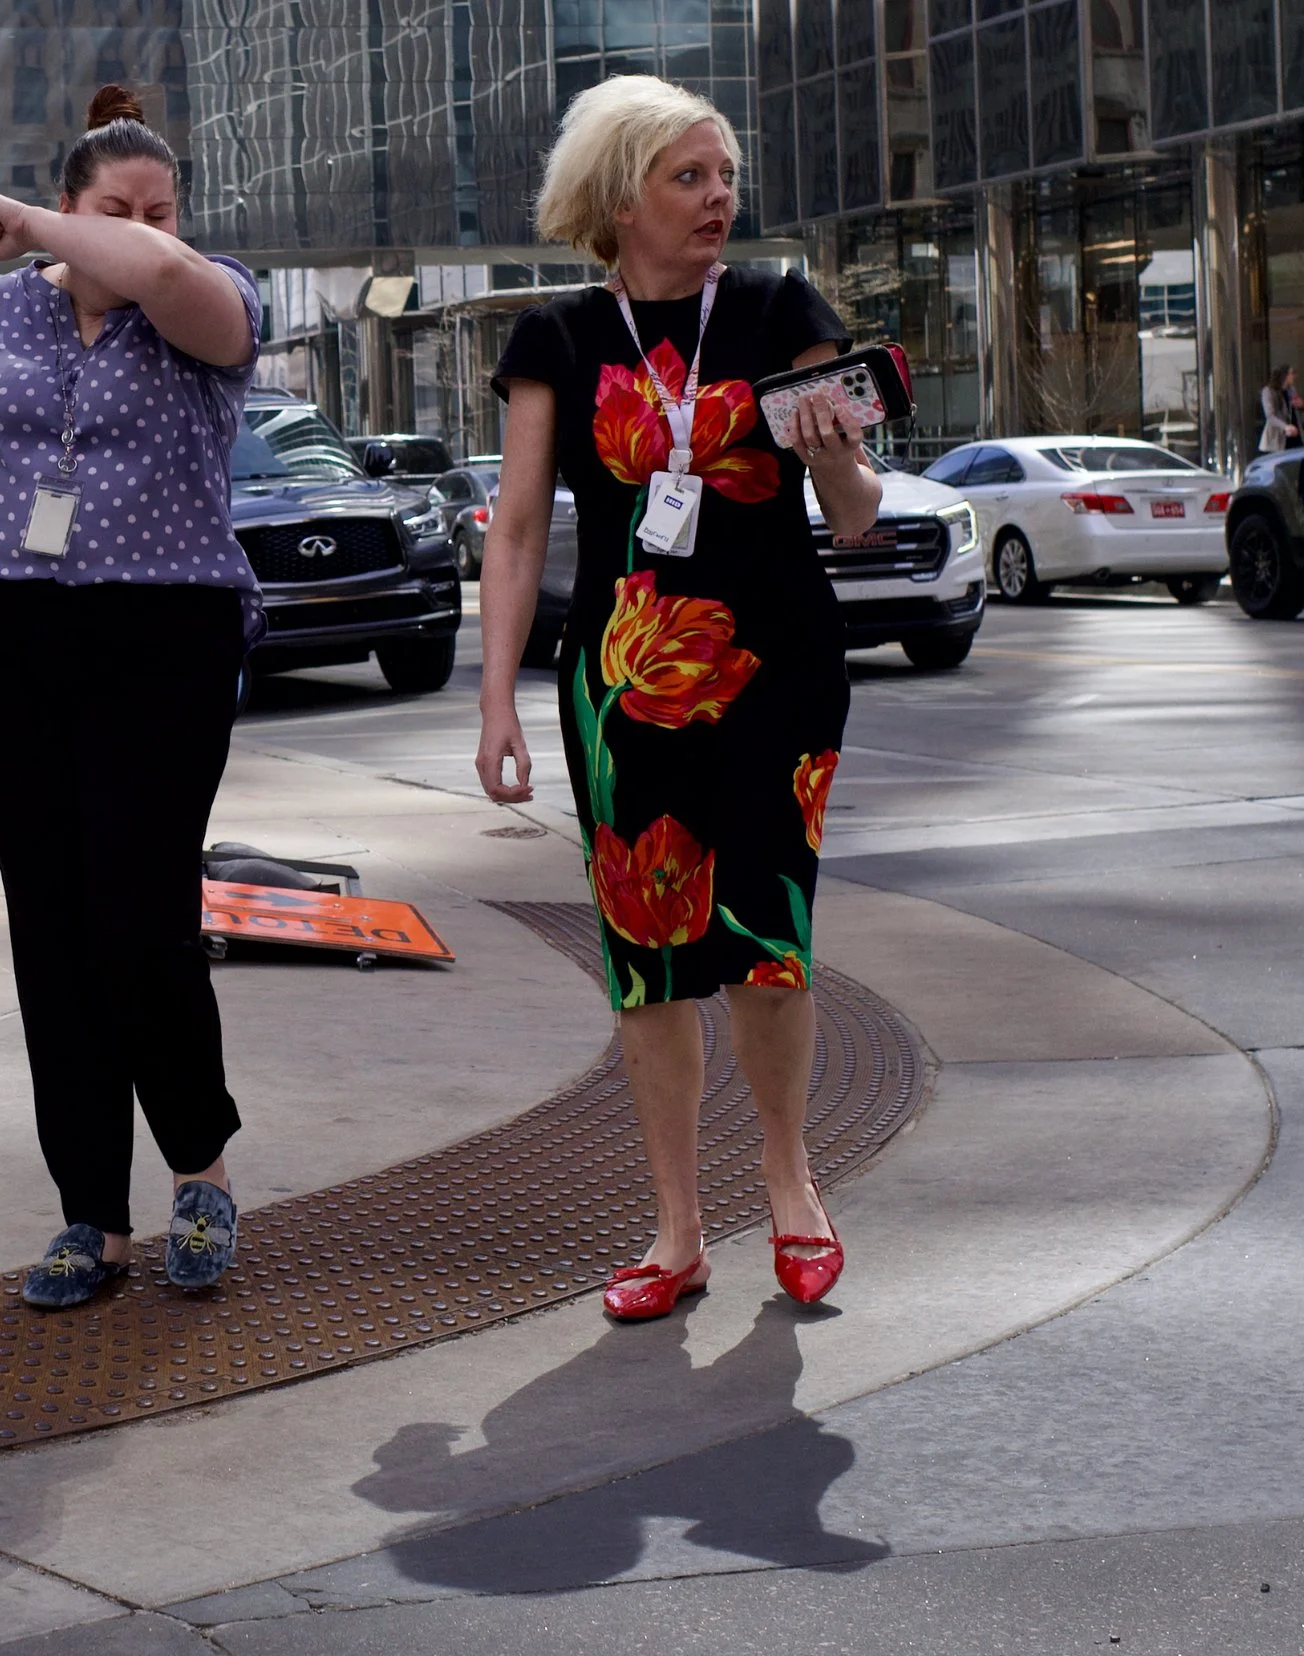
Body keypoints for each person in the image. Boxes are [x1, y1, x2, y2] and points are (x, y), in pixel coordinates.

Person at [475, 75, 881, 1319]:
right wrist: (493, 701)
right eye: (688, 177)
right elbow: (519, 531)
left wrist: (833, 461)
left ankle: (790, 1176)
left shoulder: (775, 308)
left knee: (766, 938)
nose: (719, 199)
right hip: (620, 682)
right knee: (647, 953)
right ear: (620, 197)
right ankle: (675, 1224)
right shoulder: (556, 337)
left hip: (778, 670)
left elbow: (859, 517)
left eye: (724, 175)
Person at [0, 84, 262, 1312]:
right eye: (119, 208)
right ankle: (89, 1216)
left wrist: (51, 230)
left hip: (166, 627)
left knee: (140, 912)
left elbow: (157, 278)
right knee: (52, 924)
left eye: (164, 210)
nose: (151, 230)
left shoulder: (215, 301)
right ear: (70, 202)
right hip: (12, 629)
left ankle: (198, 1171)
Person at [1261, 365, 1301, 453]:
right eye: (1291, 374)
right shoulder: (1269, 391)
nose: (1294, 377)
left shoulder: (1291, 390)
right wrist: (1285, 427)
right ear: (1284, 375)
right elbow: (1270, 415)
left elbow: (1294, 408)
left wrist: (1299, 404)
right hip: (1278, 434)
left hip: (1294, 432)